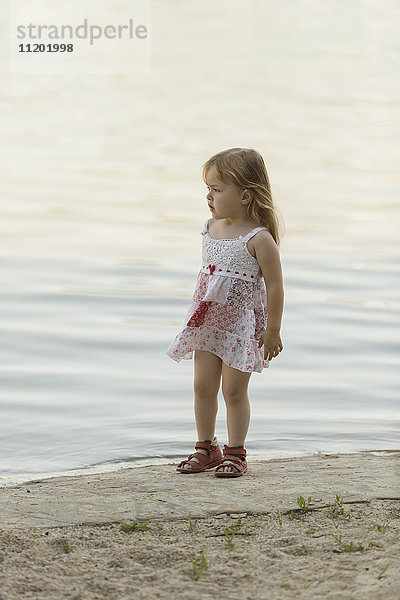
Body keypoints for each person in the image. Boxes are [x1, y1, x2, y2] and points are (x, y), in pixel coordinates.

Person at [165, 147, 284, 478]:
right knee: (202, 385)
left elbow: (274, 286)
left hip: (240, 328)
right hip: (207, 324)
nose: (209, 197)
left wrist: (272, 330)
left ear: (245, 195)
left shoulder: (259, 239)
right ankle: (206, 447)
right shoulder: (209, 229)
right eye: (208, 189)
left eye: (217, 190)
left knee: (233, 390)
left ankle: (236, 452)